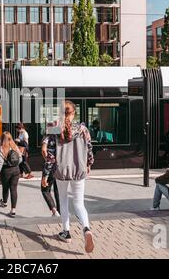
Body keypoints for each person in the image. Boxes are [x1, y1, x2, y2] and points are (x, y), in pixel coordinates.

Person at [50, 100, 95, 254]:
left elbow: (50, 154)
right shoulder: (83, 129)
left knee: (63, 200)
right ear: (74, 113)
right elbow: (89, 148)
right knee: (79, 203)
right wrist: (89, 163)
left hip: (61, 171)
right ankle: (86, 229)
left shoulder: (54, 128)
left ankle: (66, 232)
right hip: (79, 170)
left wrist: (46, 172)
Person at [0, 132, 22, 218]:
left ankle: (4, 202)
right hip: (16, 170)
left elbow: (0, 162)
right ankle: (13, 210)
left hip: (6, 170)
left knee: (5, 187)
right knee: (14, 189)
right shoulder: (15, 147)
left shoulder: (1, 148)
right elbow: (20, 158)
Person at [41, 123, 60, 217]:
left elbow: (44, 150)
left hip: (51, 167)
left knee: (45, 189)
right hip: (61, 167)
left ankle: (54, 210)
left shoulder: (47, 137)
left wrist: (45, 175)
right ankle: (61, 212)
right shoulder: (60, 137)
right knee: (58, 190)